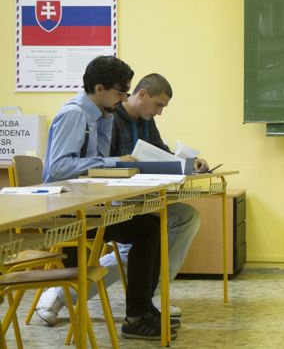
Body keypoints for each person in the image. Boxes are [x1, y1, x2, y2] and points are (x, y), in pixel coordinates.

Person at [38, 73, 202, 324]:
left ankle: (153, 293)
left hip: (138, 195)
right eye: (158, 105)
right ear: (142, 94)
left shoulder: (147, 121)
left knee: (186, 216)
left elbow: (162, 155)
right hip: (112, 198)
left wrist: (190, 164)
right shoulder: (108, 117)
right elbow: (100, 164)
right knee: (145, 236)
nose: (159, 112)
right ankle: (64, 293)